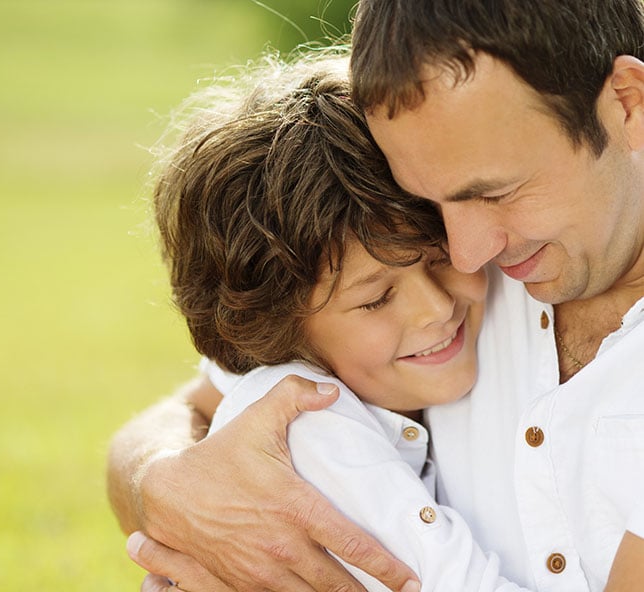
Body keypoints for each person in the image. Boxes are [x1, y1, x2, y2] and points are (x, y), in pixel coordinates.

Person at [107, 1, 644, 590]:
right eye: (434, 204)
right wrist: (169, 487)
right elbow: (192, 411)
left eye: (494, 193)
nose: (466, 252)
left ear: (628, 102)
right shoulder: (471, 267)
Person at [132, 48, 541, 591]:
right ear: (281, 333)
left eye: (439, 257)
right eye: (375, 300)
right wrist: (158, 479)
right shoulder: (303, 418)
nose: (436, 308)